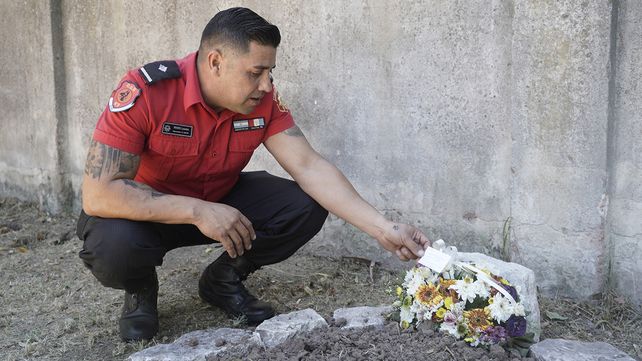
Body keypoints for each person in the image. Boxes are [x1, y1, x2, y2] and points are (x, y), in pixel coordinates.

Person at [77, 7, 430, 342]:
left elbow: (310, 167)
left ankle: (223, 278)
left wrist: (384, 228)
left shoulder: (261, 100)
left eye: (269, 72)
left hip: (221, 199)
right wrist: (197, 210)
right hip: (152, 212)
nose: (265, 84)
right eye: (255, 72)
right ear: (216, 62)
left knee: (304, 204)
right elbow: (99, 193)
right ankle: (140, 288)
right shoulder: (148, 92)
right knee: (113, 245)